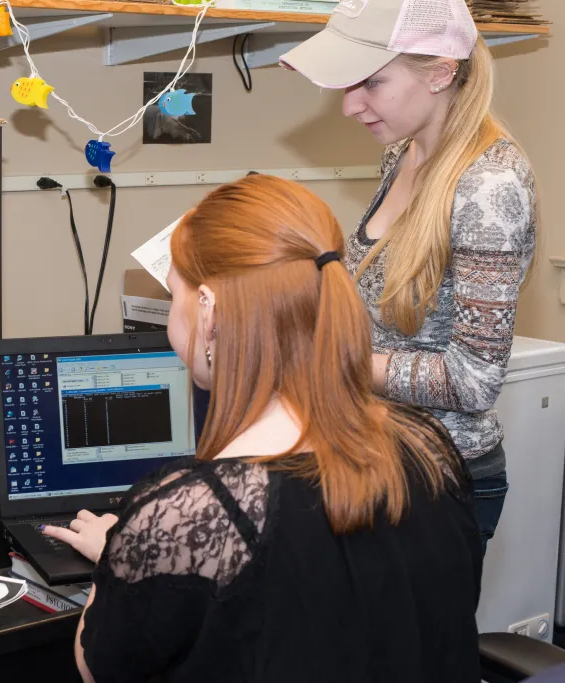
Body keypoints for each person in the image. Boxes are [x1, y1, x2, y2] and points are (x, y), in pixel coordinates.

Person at [44, 174, 483, 683]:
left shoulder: (183, 514)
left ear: (208, 310)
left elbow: (97, 666)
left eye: (173, 295)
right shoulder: (428, 448)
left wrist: (122, 561)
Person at [277, 0, 537, 552]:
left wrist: (330, 359)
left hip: (439, 474)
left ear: (441, 72)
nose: (350, 106)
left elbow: (473, 380)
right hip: (375, 454)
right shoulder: (404, 153)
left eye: (371, 83)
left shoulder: (489, 188)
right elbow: (385, 302)